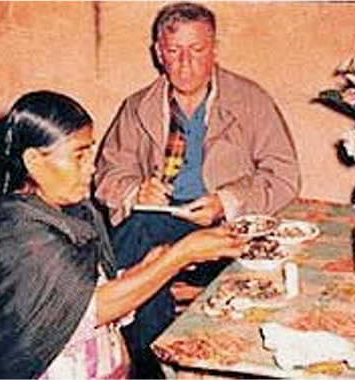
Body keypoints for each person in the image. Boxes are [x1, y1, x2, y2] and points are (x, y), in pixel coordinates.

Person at [0, 90, 245, 380]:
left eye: (90, 153)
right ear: (34, 161)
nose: (92, 168)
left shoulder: (73, 213)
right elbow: (92, 310)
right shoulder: (18, 231)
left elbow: (83, 290)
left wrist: (147, 266)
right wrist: (180, 254)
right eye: (79, 156)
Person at [94, 2, 300, 377]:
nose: (185, 63)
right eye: (174, 51)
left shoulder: (250, 100)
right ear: (159, 53)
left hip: (229, 233)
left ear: (215, 49)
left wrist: (227, 201)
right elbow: (108, 173)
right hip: (158, 228)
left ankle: (101, 325)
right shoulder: (137, 107)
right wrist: (134, 191)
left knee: (131, 253)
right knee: (144, 243)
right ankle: (157, 367)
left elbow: (284, 174)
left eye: (197, 50)